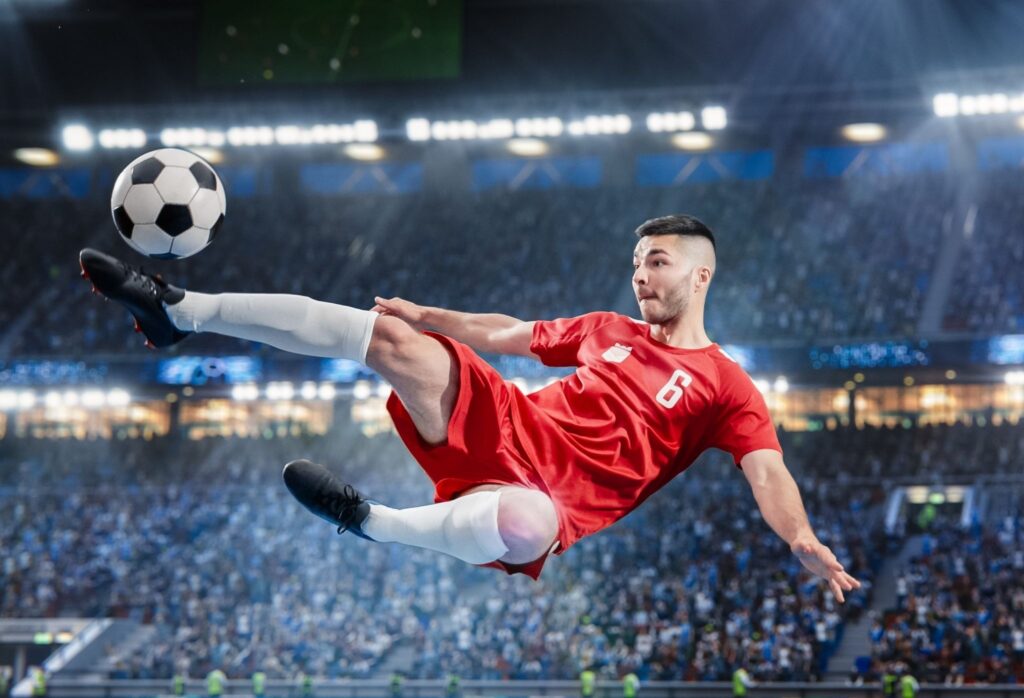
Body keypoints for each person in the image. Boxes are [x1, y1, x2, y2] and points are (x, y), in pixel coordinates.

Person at [78, 214, 861, 596]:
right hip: (512, 419)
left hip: (551, 498)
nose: (640, 275)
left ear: (700, 277)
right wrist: (431, 319)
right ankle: (178, 308)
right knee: (388, 339)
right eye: (635, 263)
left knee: (528, 526)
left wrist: (800, 537)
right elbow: (508, 335)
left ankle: (368, 522)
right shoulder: (606, 329)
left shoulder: (728, 387)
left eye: (656, 262)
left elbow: (768, 474)